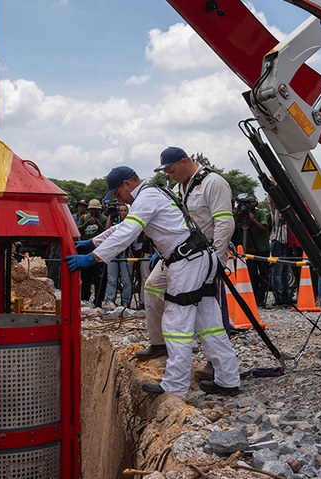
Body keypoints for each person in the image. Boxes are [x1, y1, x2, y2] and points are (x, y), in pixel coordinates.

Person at [65, 166, 241, 397]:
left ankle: (174, 386)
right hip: (199, 257)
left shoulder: (146, 197)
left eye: (118, 194)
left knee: (177, 322)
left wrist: (93, 257)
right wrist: (94, 243)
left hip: (187, 262)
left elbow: (129, 230)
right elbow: (123, 227)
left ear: (128, 184)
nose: (119, 200)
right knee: (209, 323)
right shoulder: (154, 192)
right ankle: (228, 379)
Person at [136, 146, 235, 383]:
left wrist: (217, 261)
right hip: (178, 255)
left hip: (204, 256)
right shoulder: (178, 188)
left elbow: (224, 224)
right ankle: (159, 343)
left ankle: (214, 363)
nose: (170, 175)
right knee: (152, 287)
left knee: (208, 308)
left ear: (185, 161)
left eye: (171, 169)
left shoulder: (213, 183)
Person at [231, 194, 269, 305]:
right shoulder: (242, 214)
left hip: (262, 248)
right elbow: (237, 228)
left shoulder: (260, 212)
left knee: (263, 274)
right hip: (249, 249)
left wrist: (253, 219)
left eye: (252, 202)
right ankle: (252, 297)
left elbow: (263, 228)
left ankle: (261, 299)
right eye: (248, 203)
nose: (250, 205)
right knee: (251, 274)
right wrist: (238, 215)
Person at [76, 199, 108, 307]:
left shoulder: (104, 218)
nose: (93, 212)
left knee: (99, 277)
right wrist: (86, 224)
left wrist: (99, 224)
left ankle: (98, 301)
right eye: (92, 210)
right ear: (89, 209)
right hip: (85, 250)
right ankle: (84, 298)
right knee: (86, 276)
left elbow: (107, 233)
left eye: (96, 210)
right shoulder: (84, 217)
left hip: (99, 250)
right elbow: (77, 230)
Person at [103, 203, 133, 308]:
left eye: (125, 210)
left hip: (126, 252)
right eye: (121, 210)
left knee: (126, 280)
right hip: (113, 252)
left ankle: (126, 302)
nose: (123, 213)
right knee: (112, 278)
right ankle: (109, 301)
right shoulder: (115, 220)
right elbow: (107, 230)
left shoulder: (131, 221)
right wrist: (110, 215)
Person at [268, 194, 290, 306]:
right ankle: (279, 297)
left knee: (284, 271)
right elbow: (272, 200)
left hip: (286, 241)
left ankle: (286, 297)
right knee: (278, 270)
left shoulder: (288, 209)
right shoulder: (275, 211)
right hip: (278, 240)